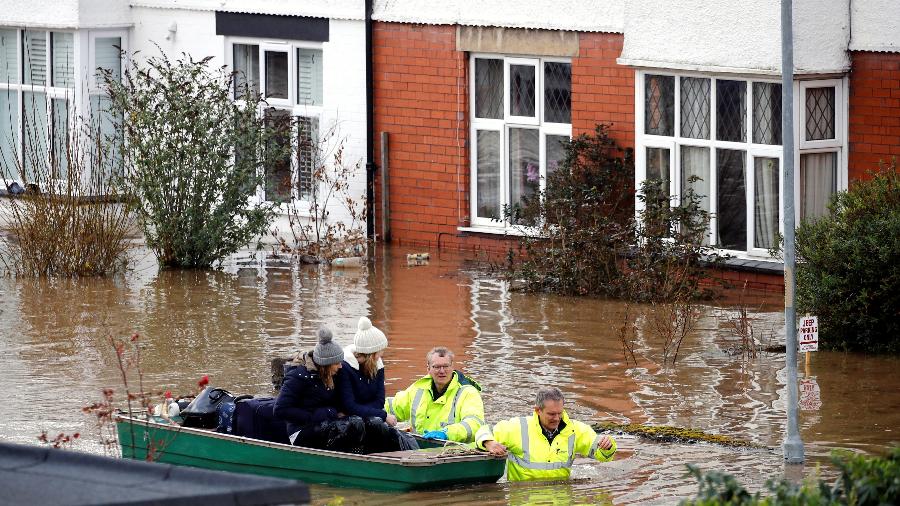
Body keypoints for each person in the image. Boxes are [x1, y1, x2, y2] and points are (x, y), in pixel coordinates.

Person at [475, 386, 616, 482]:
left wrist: (607, 446)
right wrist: (489, 442)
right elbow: (483, 430)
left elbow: (602, 453)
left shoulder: (575, 430)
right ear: (538, 410)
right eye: (551, 414)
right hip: (523, 497)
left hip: (561, 498)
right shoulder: (518, 427)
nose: (556, 418)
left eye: (560, 413)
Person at [274, 327, 363, 451]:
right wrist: (317, 415)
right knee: (346, 426)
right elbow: (280, 410)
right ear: (326, 365)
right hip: (300, 431)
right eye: (337, 363)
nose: (340, 366)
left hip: (326, 423)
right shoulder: (297, 377)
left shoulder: (333, 376)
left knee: (357, 423)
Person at [385, 346, 484, 443]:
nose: (442, 371)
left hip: (452, 451)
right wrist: (374, 409)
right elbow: (394, 407)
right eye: (436, 367)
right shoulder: (418, 388)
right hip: (419, 448)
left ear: (452, 367)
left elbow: (474, 424)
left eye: (446, 366)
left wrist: (447, 433)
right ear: (428, 368)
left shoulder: (468, 392)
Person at [336, 317, 394, 424]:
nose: (382, 354)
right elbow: (348, 406)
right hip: (348, 422)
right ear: (371, 354)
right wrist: (381, 414)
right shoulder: (344, 368)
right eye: (380, 351)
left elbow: (380, 402)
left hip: (362, 416)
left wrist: (359, 410)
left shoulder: (378, 366)